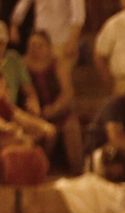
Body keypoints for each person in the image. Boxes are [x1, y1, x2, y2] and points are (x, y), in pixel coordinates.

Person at [22, 31, 78, 172]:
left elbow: (67, 92)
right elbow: (25, 93)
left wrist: (54, 108)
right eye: (33, 45)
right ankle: (41, 170)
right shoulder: (22, 65)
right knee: (41, 131)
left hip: (57, 111)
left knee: (71, 127)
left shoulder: (57, 64)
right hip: (32, 114)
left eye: (40, 45)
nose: (36, 49)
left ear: (48, 47)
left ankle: (77, 169)